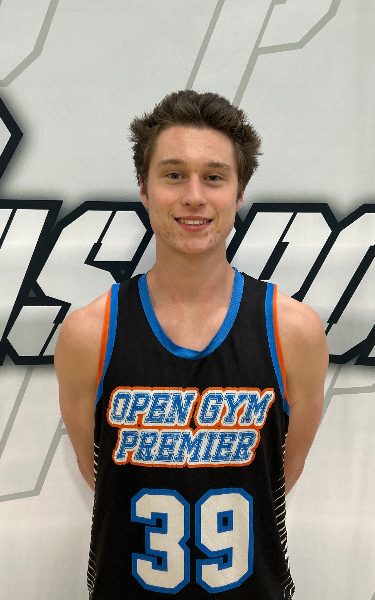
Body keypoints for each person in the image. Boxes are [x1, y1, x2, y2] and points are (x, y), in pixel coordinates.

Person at [55, 90, 328, 599]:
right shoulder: (89, 334)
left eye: (215, 177)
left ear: (239, 193)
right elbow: (100, 475)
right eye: (174, 174)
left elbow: (279, 474)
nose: (194, 197)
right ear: (144, 189)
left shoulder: (293, 331)